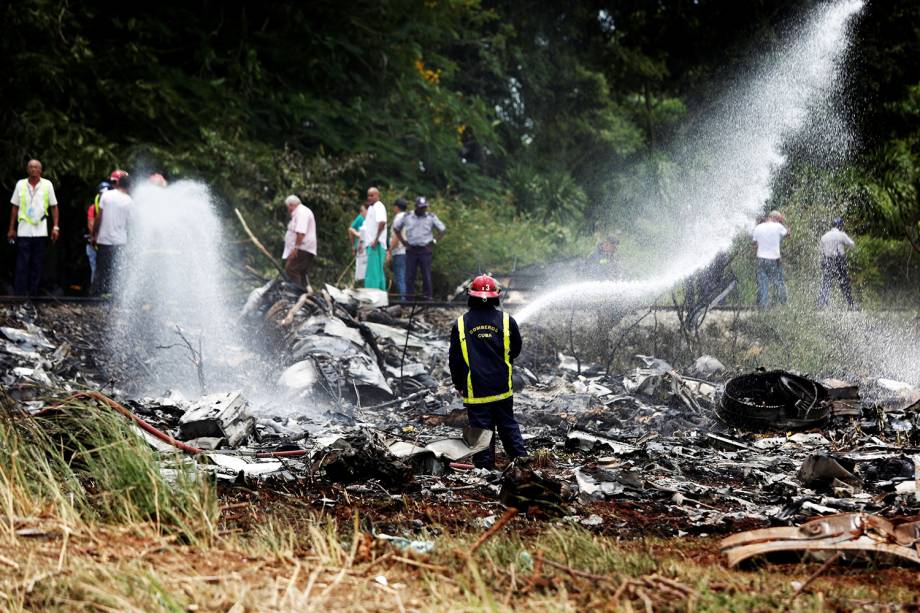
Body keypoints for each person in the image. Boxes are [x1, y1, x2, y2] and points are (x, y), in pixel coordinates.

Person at [448, 275, 525, 469]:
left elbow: (455, 359)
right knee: (508, 425)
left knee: (482, 430)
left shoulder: (461, 324)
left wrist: (459, 384)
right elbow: (515, 350)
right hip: (502, 387)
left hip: (476, 389)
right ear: (496, 296)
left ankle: (484, 469)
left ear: (470, 296)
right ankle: (522, 462)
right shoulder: (508, 321)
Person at [7, 159, 59, 296]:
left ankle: (34, 293)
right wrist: (11, 228)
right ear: (27, 169)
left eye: (36, 167)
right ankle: (19, 293)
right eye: (30, 167)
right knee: (22, 263)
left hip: (40, 230)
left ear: (40, 170)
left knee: (37, 262)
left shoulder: (47, 184)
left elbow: (54, 206)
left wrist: (56, 227)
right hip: (24, 229)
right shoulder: (21, 184)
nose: (33, 169)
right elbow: (15, 207)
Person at [393, 196, 445, 300]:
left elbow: (442, 229)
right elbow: (396, 228)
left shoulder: (430, 217)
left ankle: (427, 298)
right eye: (421, 207)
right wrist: (403, 242)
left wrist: (434, 242)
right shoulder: (407, 216)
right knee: (410, 276)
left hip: (425, 249)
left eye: (424, 207)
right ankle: (409, 299)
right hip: (411, 249)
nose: (423, 209)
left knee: (426, 275)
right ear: (416, 207)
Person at [92, 171, 132, 295]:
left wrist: (94, 233)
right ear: (129, 186)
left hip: (104, 239)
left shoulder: (106, 196)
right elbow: (130, 223)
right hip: (120, 241)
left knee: (102, 269)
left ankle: (101, 294)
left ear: (118, 183)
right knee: (117, 270)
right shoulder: (129, 201)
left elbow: (99, 217)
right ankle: (115, 294)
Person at [752, 210, 790, 308]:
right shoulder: (778, 226)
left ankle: (763, 306)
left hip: (760, 259)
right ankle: (784, 305)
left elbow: (755, 245)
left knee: (763, 284)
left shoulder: (757, 228)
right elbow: (788, 234)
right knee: (779, 282)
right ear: (776, 219)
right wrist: (784, 222)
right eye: (780, 220)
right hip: (774, 259)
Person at [818, 217, 856, 309]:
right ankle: (850, 304)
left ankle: (822, 303)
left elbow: (821, 250)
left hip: (827, 260)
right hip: (839, 261)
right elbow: (852, 244)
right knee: (844, 282)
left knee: (826, 282)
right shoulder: (841, 235)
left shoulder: (824, 236)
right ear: (840, 225)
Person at [281, 195, 317, 291]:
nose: (288, 209)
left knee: (291, 269)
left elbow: (301, 232)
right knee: (301, 272)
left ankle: (297, 294)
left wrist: (296, 247)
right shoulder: (301, 212)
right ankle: (306, 294)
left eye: (288, 207)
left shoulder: (301, 212)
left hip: (303, 247)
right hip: (303, 247)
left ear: (291, 205)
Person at [86, 180, 111, 286]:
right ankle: (95, 291)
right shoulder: (93, 208)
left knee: (110, 267)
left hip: (109, 242)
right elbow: (91, 223)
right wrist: (94, 237)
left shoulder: (114, 205)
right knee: (96, 268)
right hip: (95, 243)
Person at [362, 187, 387, 290]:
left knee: (373, 273)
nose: (370, 197)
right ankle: (380, 296)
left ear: (378, 196)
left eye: (372, 195)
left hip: (375, 244)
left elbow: (382, 222)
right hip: (372, 244)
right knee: (377, 272)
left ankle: (371, 296)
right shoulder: (371, 208)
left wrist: (376, 240)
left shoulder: (379, 206)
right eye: (368, 195)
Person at [387, 198, 408, 300]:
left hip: (399, 251)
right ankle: (405, 299)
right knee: (403, 276)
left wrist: (389, 250)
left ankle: (403, 301)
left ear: (397, 207)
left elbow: (396, 236)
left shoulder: (398, 218)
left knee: (399, 277)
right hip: (407, 251)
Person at [348, 203, 367, 285]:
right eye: (361, 211)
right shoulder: (360, 218)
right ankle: (357, 284)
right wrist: (353, 245)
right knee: (359, 268)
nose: (361, 213)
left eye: (363, 211)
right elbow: (350, 229)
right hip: (360, 247)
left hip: (368, 247)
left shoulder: (371, 219)